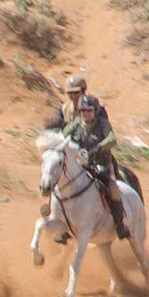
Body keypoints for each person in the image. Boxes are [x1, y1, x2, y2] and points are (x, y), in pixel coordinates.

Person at [63, 93, 130, 240]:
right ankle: (63, 224)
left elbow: (112, 139)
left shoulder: (103, 124)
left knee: (112, 188)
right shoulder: (75, 123)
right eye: (82, 111)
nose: (85, 114)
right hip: (81, 165)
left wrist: (99, 147)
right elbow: (62, 136)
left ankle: (120, 224)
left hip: (101, 164)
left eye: (89, 110)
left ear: (96, 111)